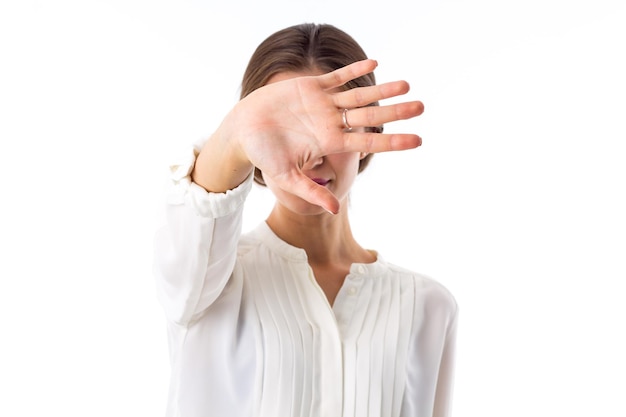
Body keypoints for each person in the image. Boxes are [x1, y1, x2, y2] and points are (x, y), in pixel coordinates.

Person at [153, 23, 458, 417]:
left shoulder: (428, 306)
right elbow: (197, 214)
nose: (311, 156)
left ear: (371, 129)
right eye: (290, 129)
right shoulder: (208, 281)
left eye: (337, 123)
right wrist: (237, 132)